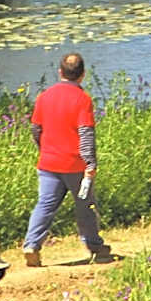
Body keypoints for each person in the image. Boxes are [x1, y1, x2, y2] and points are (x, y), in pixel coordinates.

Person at [22, 52, 110, 267]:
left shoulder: (44, 96)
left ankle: (31, 245)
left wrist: (44, 148)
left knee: (45, 204)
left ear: (60, 72)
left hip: (48, 163)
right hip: (75, 165)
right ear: (83, 75)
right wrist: (90, 162)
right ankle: (95, 246)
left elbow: (36, 129)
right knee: (85, 205)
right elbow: (85, 133)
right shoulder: (82, 99)